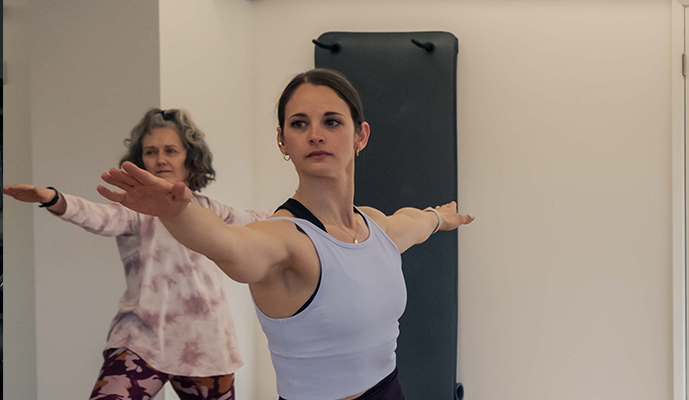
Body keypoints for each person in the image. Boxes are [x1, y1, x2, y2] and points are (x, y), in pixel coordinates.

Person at [97, 68, 476, 400]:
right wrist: (176, 212)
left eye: (331, 122)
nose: (315, 135)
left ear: (360, 135)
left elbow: (415, 222)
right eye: (299, 124)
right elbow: (227, 244)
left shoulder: (377, 226)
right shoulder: (284, 239)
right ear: (282, 140)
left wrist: (439, 217)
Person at [4, 109, 266, 400]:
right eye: (151, 152)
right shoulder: (135, 212)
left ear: (190, 158)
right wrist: (54, 198)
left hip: (206, 344)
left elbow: (265, 220)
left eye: (170, 150)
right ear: (140, 162)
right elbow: (99, 217)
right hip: (141, 340)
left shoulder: (211, 210)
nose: (161, 159)